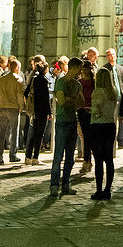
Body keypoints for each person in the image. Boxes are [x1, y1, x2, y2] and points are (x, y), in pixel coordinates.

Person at [49, 56, 84, 196]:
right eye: (79, 69)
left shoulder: (77, 85)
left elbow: (80, 102)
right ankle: (54, 184)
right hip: (63, 122)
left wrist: (72, 100)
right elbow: (62, 102)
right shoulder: (61, 82)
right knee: (58, 155)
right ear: (74, 67)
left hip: (72, 121)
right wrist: (72, 100)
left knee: (70, 156)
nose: (80, 72)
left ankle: (65, 184)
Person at [89, 67, 119, 200]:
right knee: (108, 159)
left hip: (97, 126)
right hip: (110, 126)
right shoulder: (113, 92)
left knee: (98, 160)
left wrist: (90, 111)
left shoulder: (98, 92)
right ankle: (108, 190)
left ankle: (99, 190)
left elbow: (97, 111)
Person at [0, 58, 25, 164]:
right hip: (13, 107)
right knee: (14, 131)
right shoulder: (18, 79)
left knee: (1, 133)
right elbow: (20, 95)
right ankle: (12, 155)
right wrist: (21, 106)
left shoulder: (1, 79)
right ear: (17, 68)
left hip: (2, 107)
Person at [24, 60, 51, 164]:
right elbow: (46, 98)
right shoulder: (44, 80)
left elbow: (26, 92)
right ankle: (35, 157)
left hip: (35, 110)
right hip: (42, 110)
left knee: (34, 133)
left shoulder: (34, 79)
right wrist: (49, 112)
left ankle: (28, 157)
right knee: (40, 134)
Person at [103, 48, 123, 149]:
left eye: (113, 54)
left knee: (122, 120)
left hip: (121, 98)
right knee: (112, 121)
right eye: (109, 55)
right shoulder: (105, 69)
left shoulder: (120, 68)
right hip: (111, 99)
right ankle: (112, 143)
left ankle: (121, 141)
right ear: (107, 57)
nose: (111, 56)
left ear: (115, 55)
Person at [77, 58, 95, 174]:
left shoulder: (94, 82)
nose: (84, 71)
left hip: (92, 111)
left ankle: (88, 160)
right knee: (85, 137)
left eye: (86, 69)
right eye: (83, 69)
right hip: (83, 111)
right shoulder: (80, 82)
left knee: (91, 137)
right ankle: (86, 160)